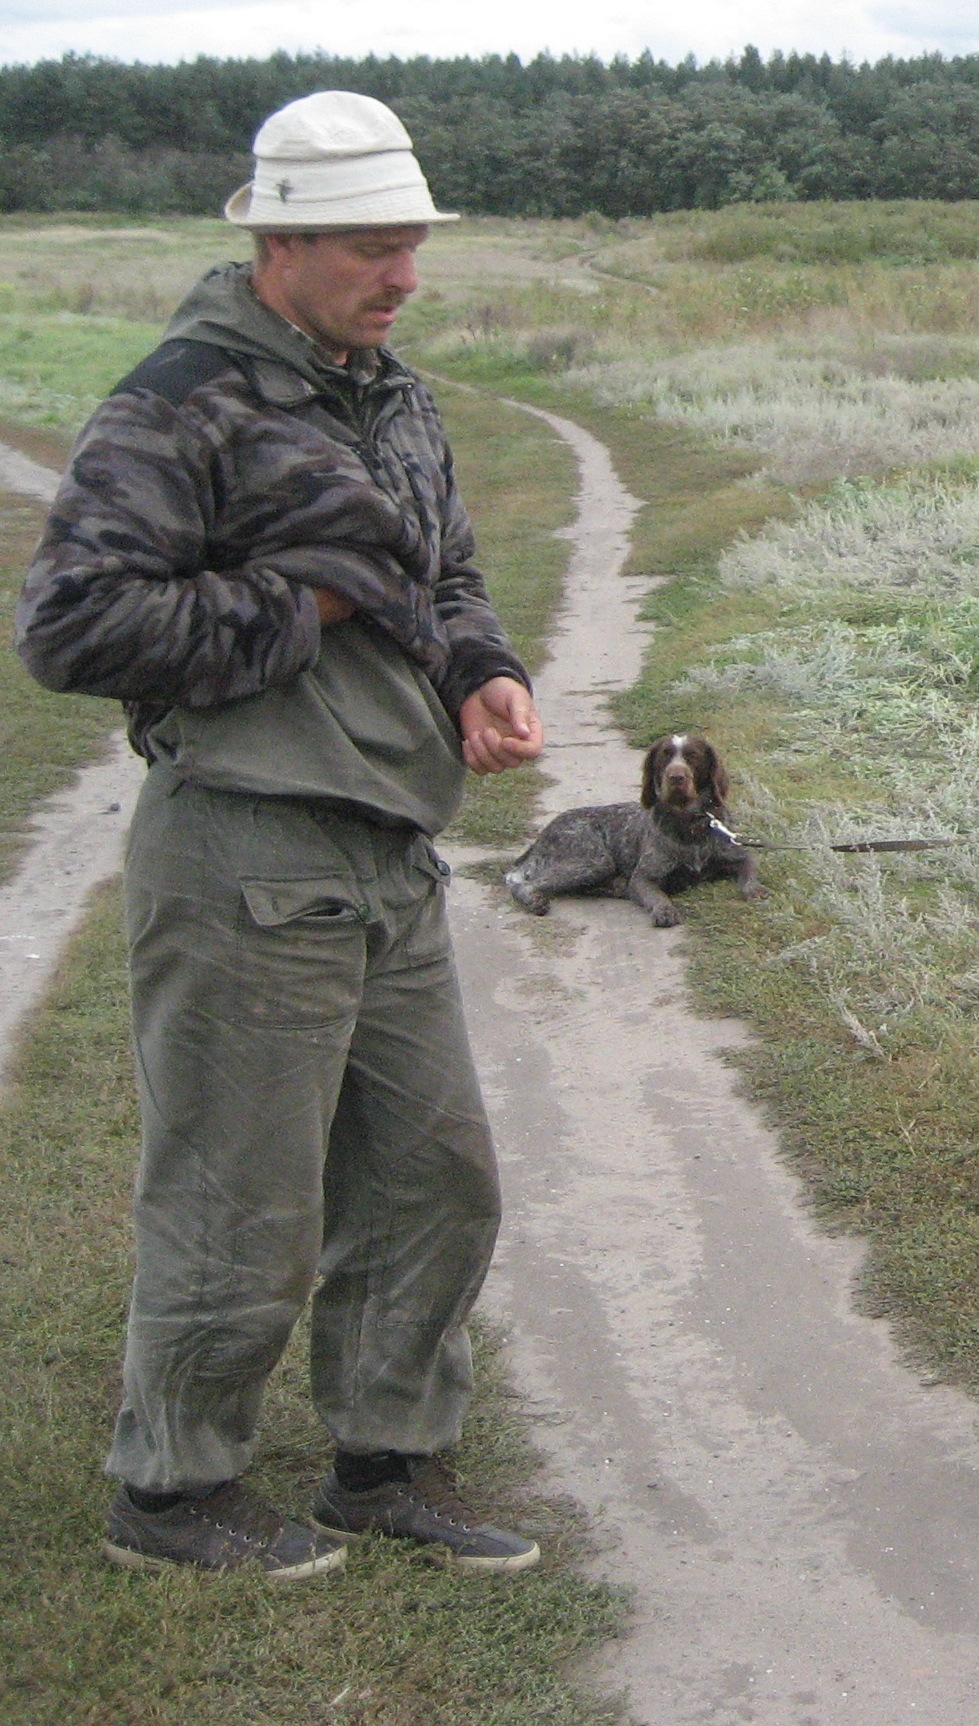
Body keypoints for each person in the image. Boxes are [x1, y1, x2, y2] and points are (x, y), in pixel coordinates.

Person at [16, 91, 548, 1579]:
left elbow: (443, 570)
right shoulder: (179, 401)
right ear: (283, 243)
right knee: (238, 1197)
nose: (404, 276)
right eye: (375, 249)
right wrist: (300, 602)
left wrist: (479, 669)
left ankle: (384, 1461)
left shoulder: (391, 393)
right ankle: (172, 1488)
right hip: (246, 847)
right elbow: (69, 625)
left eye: (413, 245)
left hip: (390, 845)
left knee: (436, 1175)